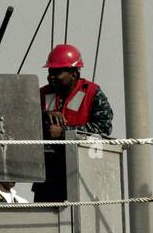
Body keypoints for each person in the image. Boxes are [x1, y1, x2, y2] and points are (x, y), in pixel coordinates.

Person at [32, 43, 114, 202]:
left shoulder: (92, 93)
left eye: (57, 72)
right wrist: (44, 115)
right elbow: (24, 119)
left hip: (81, 173)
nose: (51, 77)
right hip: (47, 177)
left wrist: (64, 133)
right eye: (50, 72)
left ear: (74, 73)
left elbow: (103, 128)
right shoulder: (42, 94)